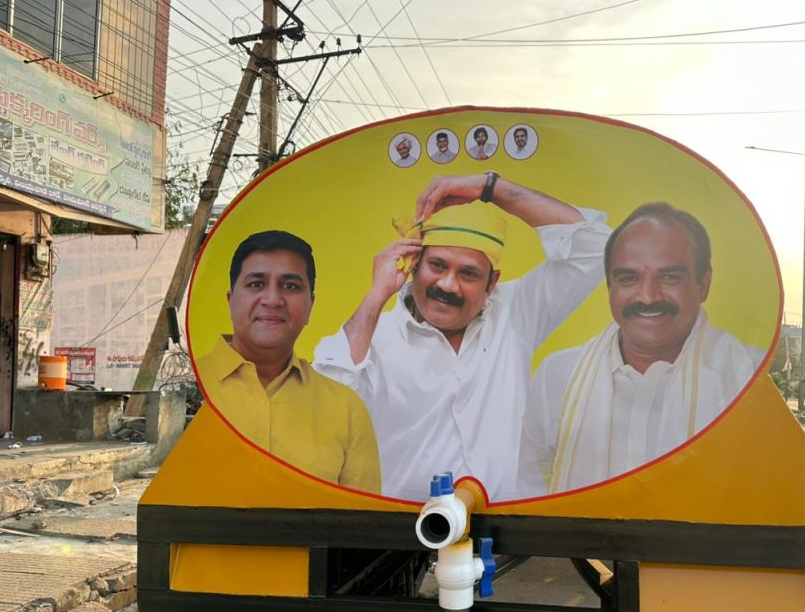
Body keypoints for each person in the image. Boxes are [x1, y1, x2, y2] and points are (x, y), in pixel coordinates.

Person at [313, 174, 610, 502]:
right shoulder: (372, 337)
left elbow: (596, 246)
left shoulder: (514, 315)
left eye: (468, 273)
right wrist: (376, 294)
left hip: (506, 529)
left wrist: (491, 187)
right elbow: (323, 408)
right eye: (437, 266)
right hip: (406, 528)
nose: (448, 285)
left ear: (491, 283)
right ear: (414, 265)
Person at [518, 202, 766, 496]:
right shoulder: (558, 375)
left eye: (669, 277)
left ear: (703, 283)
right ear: (610, 287)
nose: (648, 297)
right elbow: (523, 480)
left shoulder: (749, 377)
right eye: (628, 278)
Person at [195, 230, 381, 492]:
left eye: (290, 286)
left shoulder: (346, 409)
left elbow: (363, 514)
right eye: (256, 284)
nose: (272, 300)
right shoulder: (193, 390)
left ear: (310, 305)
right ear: (230, 300)